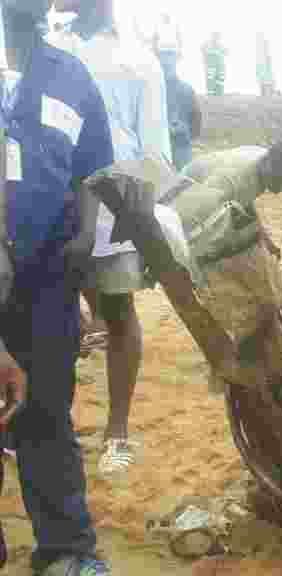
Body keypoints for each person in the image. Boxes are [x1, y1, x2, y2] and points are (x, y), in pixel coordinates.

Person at [0, 0, 115, 572]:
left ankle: (66, 548)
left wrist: (88, 228)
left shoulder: (72, 77)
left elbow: (93, 167)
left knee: (45, 414)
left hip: (47, 280)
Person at [50, 0, 174, 478]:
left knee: (119, 314)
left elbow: (154, 150)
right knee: (57, 318)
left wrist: (140, 221)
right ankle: (53, 427)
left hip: (116, 213)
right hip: (59, 212)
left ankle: (116, 431)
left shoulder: (140, 60)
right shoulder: (55, 51)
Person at [156, 42, 202, 171]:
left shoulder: (186, 90)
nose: (167, 60)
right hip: (158, 151)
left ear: (177, 58)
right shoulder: (151, 89)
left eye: (170, 54)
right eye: (164, 55)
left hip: (180, 148)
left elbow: (196, 126)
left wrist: (183, 129)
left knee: (182, 186)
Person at [201, 31, 227, 96]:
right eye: (215, 36)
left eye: (218, 36)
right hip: (211, 66)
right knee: (210, 81)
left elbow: (226, 52)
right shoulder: (207, 44)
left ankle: (219, 94)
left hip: (219, 67)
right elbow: (203, 50)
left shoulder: (221, 46)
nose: (216, 38)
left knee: (219, 81)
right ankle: (211, 95)